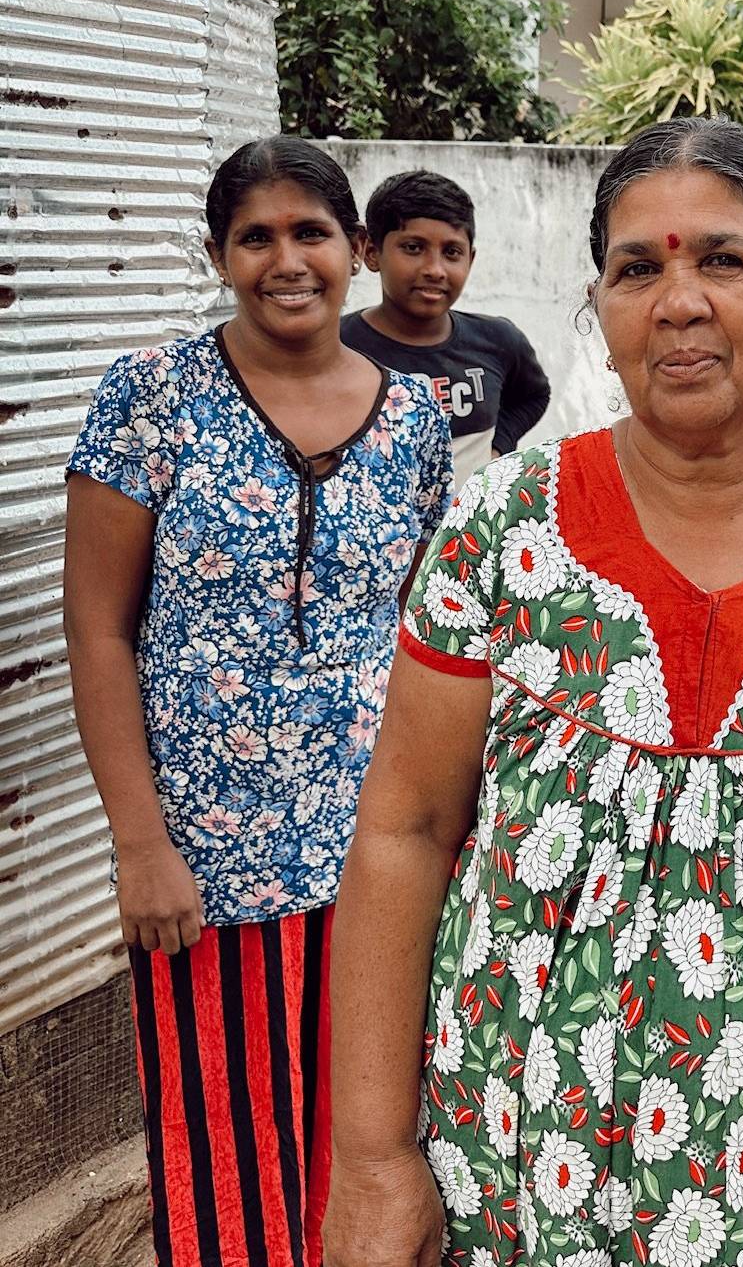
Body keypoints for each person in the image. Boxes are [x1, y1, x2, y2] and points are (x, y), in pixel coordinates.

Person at [323, 117, 743, 1267]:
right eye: (637, 268)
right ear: (601, 314)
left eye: (723, 259)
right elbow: (404, 830)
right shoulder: (503, 529)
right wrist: (373, 1156)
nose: (677, 300)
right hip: (517, 1175)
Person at [63, 137, 453, 1267]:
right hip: (205, 865)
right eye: (257, 236)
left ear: (358, 250)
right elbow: (98, 629)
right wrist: (142, 846)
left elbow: (427, 640)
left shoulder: (417, 420)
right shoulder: (151, 396)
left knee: (370, 1142)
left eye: (312, 232)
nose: (288, 259)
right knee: (222, 1153)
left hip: (376, 850)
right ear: (220, 254)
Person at [341, 169, 551, 480]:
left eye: (452, 252)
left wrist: (497, 448)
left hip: (474, 528)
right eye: (413, 248)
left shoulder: (498, 340)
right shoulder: (337, 344)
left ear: (471, 259)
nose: (435, 270)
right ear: (372, 253)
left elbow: (534, 396)